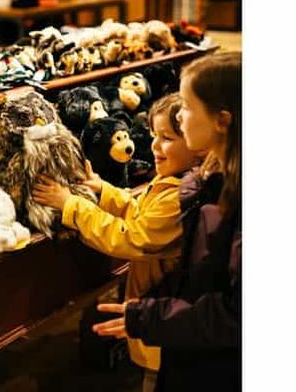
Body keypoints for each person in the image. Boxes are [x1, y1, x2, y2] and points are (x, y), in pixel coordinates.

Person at [92, 53, 242, 392]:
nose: (180, 116)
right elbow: (198, 275)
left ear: (222, 120)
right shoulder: (207, 183)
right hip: (189, 349)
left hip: (215, 367)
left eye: (187, 107)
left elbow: (235, 313)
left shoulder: (232, 198)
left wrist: (151, 317)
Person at [32, 93, 203, 392]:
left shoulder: (181, 196)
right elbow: (141, 213)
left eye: (166, 138)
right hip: (160, 317)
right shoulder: (174, 181)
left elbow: (129, 238)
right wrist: (103, 191)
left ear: (199, 143)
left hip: (167, 324)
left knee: (159, 380)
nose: (154, 146)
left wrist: (71, 205)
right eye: (153, 135)